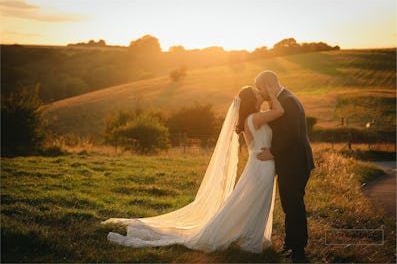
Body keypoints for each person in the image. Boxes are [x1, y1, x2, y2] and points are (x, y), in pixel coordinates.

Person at [101, 85, 285, 254]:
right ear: (251, 101)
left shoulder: (252, 118)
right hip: (261, 166)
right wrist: (271, 92)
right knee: (255, 202)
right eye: (256, 93)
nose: (260, 94)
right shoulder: (254, 118)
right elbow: (280, 111)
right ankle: (249, 238)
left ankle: (250, 235)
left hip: (260, 164)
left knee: (253, 202)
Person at [254, 70, 314, 261]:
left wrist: (272, 152)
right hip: (290, 162)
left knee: (294, 205)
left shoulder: (288, 101)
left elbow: (292, 135)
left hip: (295, 163)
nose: (260, 92)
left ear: (269, 85)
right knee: (289, 204)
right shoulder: (281, 100)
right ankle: (291, 243)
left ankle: (298, 249)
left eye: (260, 88)